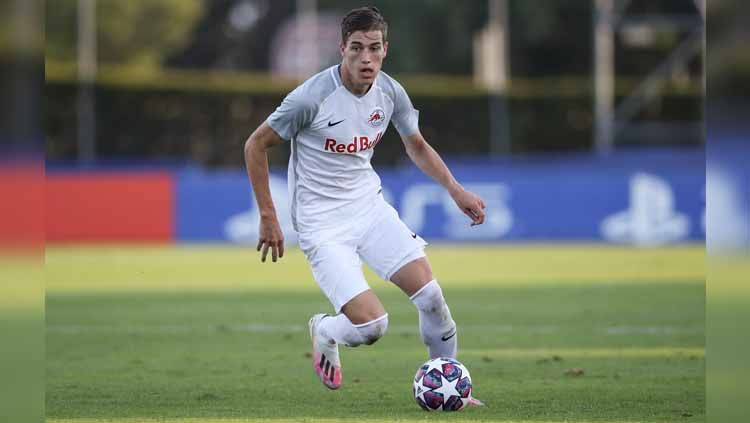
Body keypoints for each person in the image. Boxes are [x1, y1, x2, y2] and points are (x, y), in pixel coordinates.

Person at [244, 6, 485, 400]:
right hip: (322, 226)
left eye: (374, 48)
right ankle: (325, 330)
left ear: (385, 49)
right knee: (373, 327)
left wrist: (455, 190)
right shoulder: (311, 98)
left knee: (432, 297)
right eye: (356, 48)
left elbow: (417, 146)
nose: (366, 58)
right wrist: (268, 216)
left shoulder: (390, 92)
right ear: (342, 49)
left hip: (370, 210)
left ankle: (452, 387)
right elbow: (255, 144)